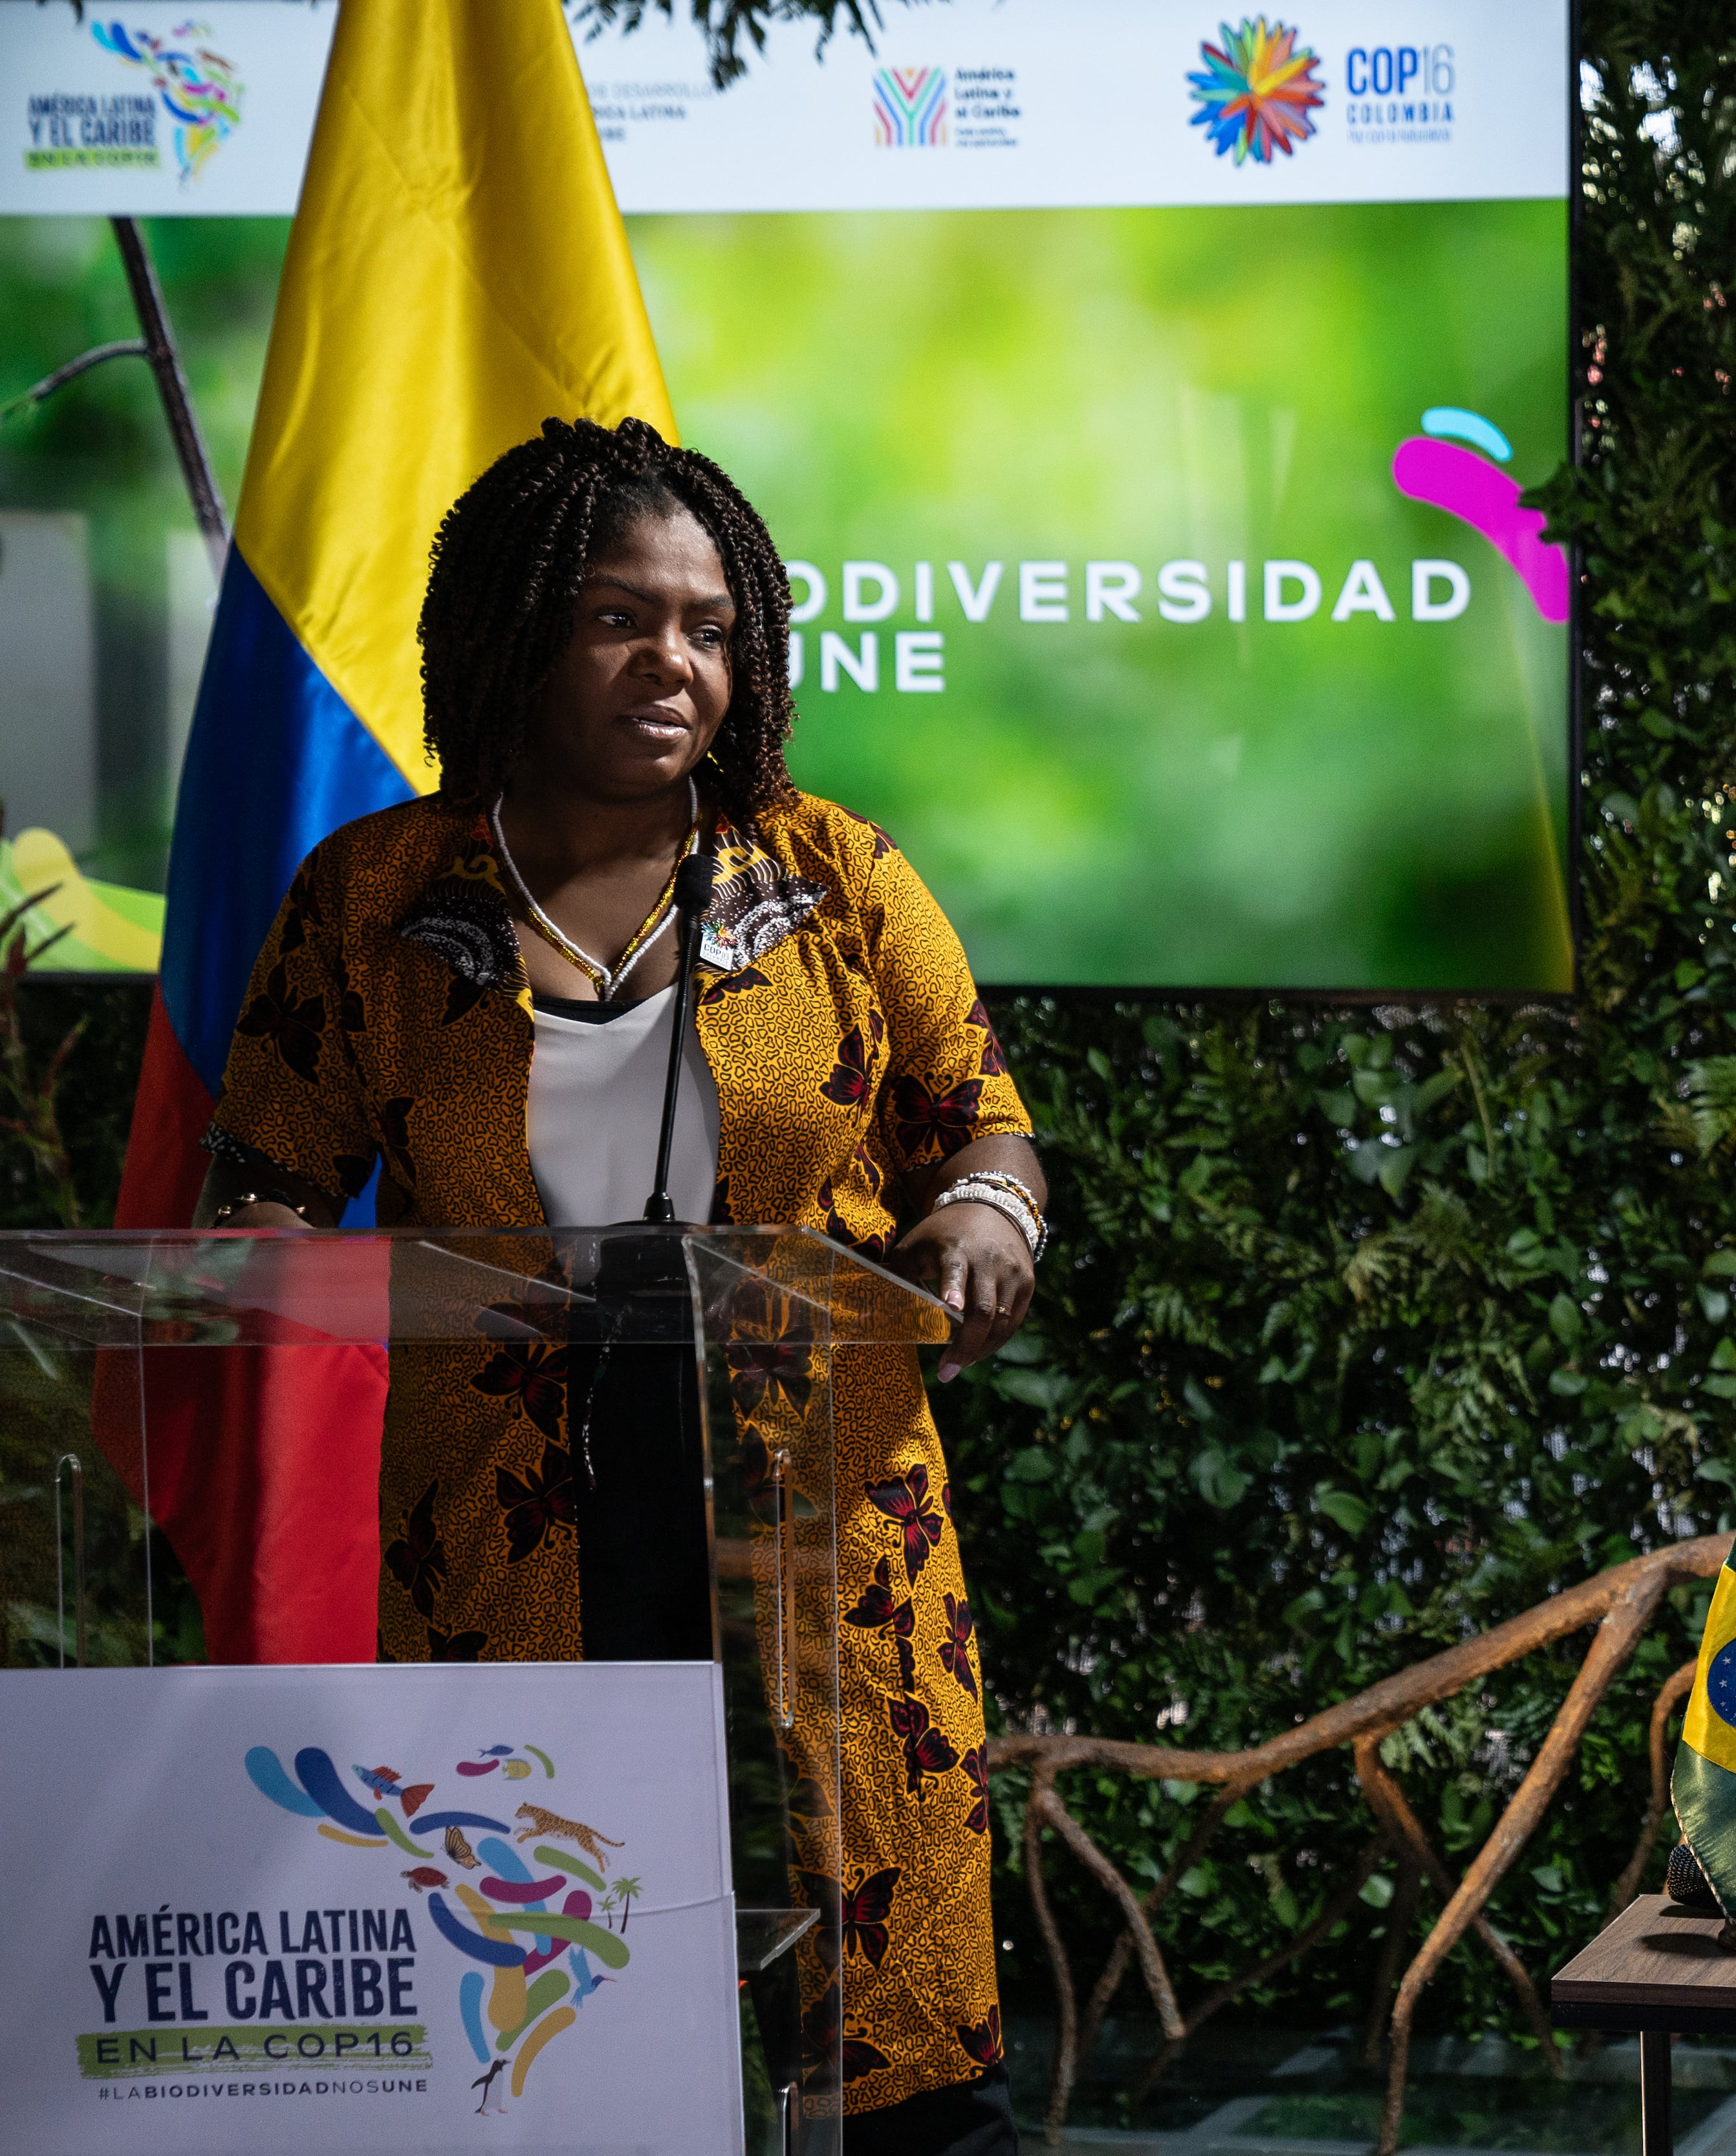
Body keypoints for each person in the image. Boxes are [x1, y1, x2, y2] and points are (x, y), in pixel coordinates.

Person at [200, 417, 1038, 2155]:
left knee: (875, 2058)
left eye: (714, 625)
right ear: (514, 629)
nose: (678, 661)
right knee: (548, 2030)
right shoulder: (372, 897)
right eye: (620, 616)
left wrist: (984, 1221)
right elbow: (262, 1189)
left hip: (817, 1529)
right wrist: (287, 1264)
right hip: (504, 1523)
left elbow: (987, 1131)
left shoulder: (836, 879)